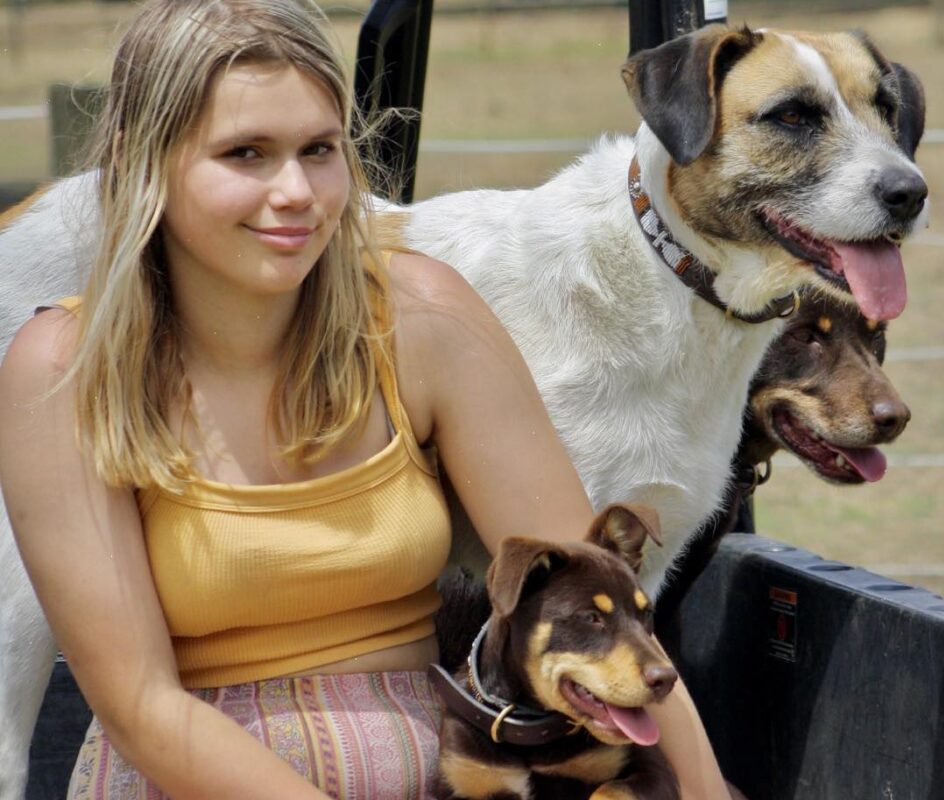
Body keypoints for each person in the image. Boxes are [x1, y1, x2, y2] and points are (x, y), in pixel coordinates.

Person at [0, 1, 732, 797]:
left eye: (319, 150)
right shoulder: (65, 370)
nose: (296, 193)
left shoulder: (423, 320)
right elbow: (142, 706)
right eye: (245, 153)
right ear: (144, 164)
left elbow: (609, 619)